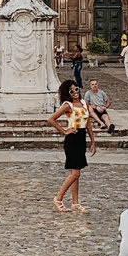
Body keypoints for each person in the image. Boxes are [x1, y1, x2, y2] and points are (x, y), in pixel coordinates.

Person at [48, 80, 97, 212]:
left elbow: (88, 124)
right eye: (71, 91)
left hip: (81, 138)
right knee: (75, 173)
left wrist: (93, 141)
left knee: (77, 173)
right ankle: (58, 198)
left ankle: (75, 202)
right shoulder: (67, 105)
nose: (75, 93)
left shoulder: (84, 104)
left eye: (76, 89)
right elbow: (51, 119)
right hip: (72, 139)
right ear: (67, 93)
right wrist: (64, 130)